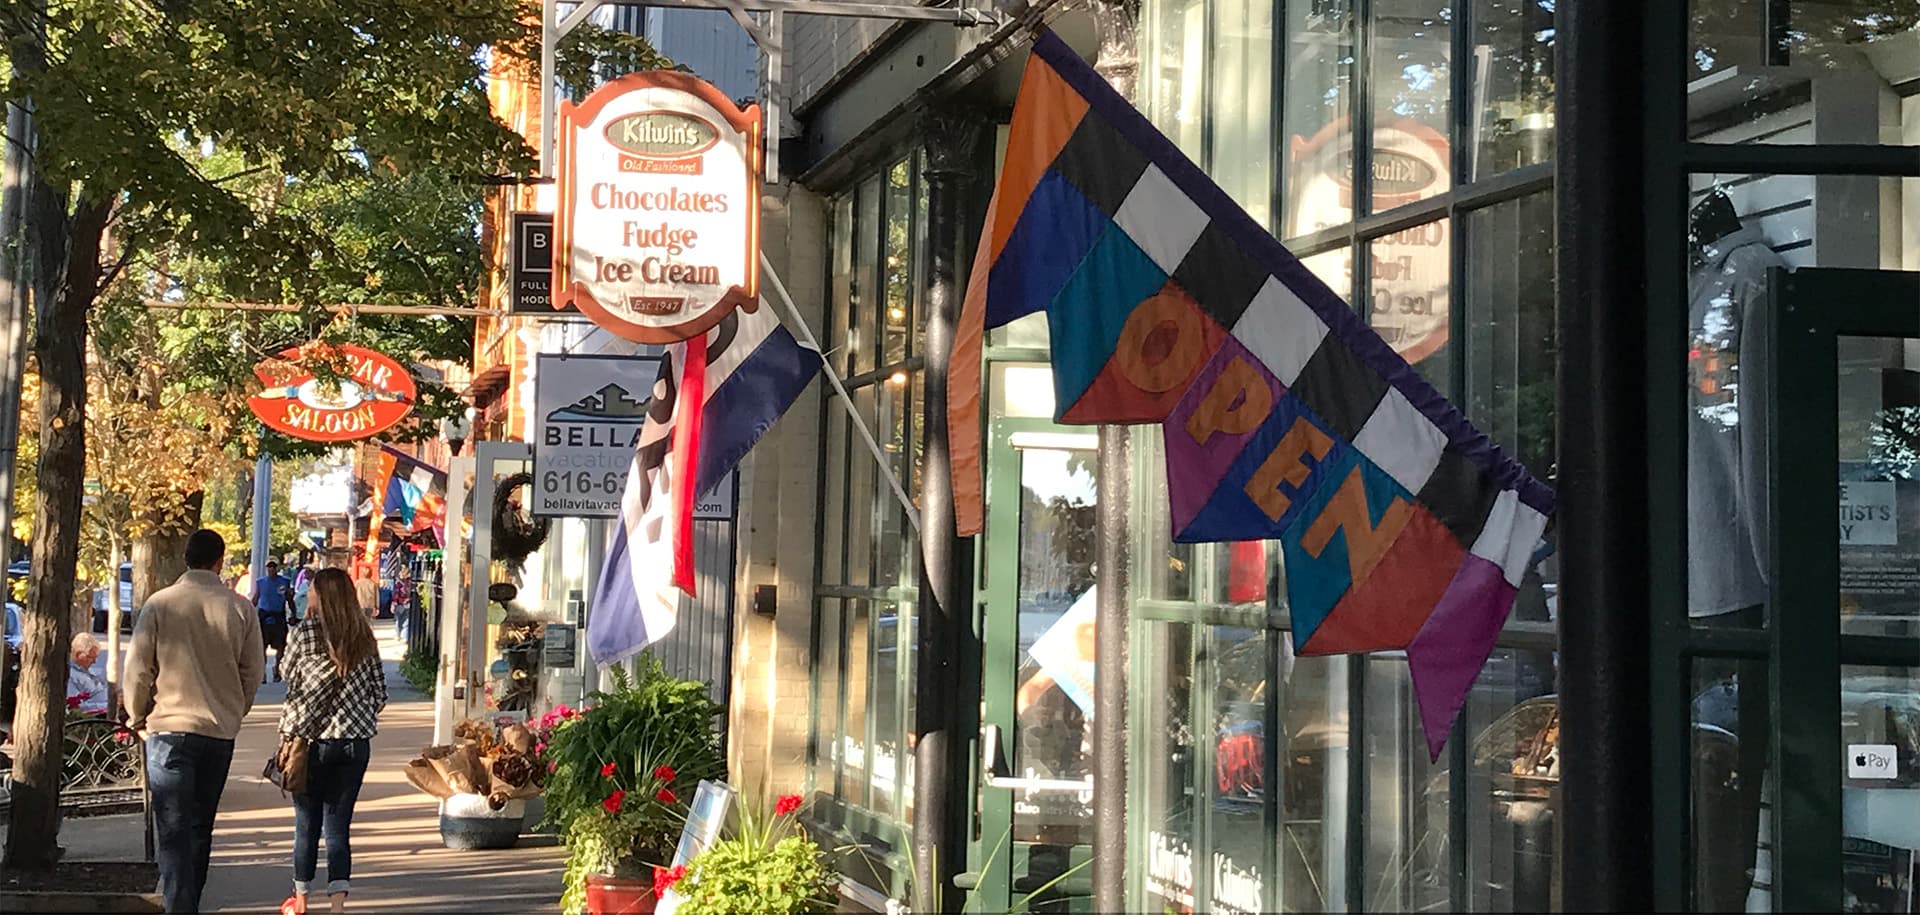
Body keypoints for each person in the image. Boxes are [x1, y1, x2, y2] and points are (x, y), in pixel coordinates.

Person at [123, 529, 264, 915]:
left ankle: (178, 907)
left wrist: (137, 716)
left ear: (185, 559)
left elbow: (137, 668)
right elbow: (253, 670)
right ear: (219, 561)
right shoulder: (239, 608)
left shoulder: (159, 604)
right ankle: (189, 904)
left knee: (172, 829)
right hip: (218, 730)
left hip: (168, 728)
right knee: (201, 826)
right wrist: (236, 708)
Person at [278, 568, 387, 915]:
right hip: (355, 743)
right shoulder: (363, 634)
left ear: (319, 595)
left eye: (310, 590)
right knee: (338, 828)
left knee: (306, 825)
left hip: (309, 743)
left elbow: (286, 674)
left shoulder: (302, 632)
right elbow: (379, 693)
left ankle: (302, 902)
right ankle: (338, 907)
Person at [256, 560, 293, 683]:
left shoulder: (284, 582)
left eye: (274, 567)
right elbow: (256, 598)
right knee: (262, 646)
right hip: (265, 615)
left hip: (278, 615)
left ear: (277, 568)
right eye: (269, 567)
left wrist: (294, 613)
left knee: (281, 646)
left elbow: (289, 599)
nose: (271, 569)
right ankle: (262, 674)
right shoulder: (261, 582)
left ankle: (277, 669)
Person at [66, 632, 109, 716]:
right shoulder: (71, 676)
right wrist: (109, 705)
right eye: (91, 657)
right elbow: (76, 708)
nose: (94, 661)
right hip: (98, 716)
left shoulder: (85, 669)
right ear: (79, 655)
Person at [390, 564, 415, 644]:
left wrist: (393, 603)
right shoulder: (411, 582)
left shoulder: (398, 583)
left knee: (398, 620)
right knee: (406, 621)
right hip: (408, 602)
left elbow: (395, 594)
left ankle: (398, 634)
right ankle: (405, 636)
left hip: (399, 603)